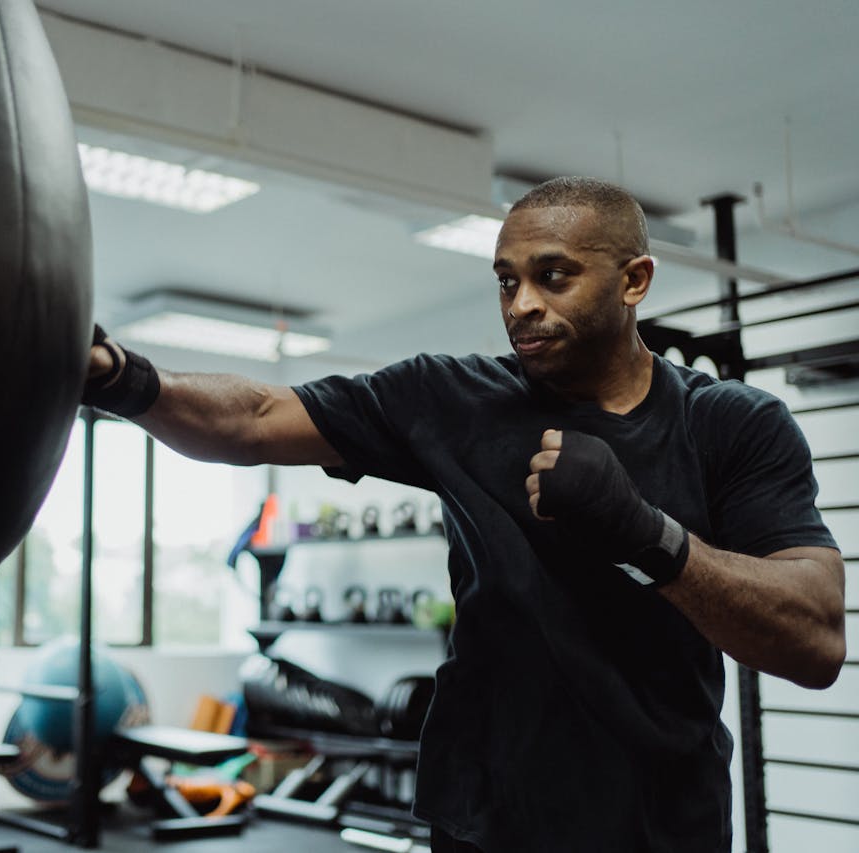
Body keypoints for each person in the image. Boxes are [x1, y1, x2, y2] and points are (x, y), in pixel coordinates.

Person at [82, 177, 847, 853]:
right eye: (507, 281)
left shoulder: (732, 424)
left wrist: (647, 534)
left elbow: (813, 640)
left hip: (658, 819)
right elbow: (252, 418)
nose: (523, 305)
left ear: (635, 280)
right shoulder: (450, 400)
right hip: (486, 818)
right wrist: (120, 377)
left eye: (554, 277)